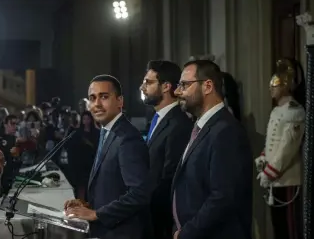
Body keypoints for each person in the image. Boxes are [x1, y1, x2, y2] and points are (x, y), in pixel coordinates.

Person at [172, 60, 253, 239]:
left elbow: (223, 198)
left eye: (184, 85)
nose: (178, 92)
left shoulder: (226, 130)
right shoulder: (203, 127)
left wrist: (187, 233)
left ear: (207, 86)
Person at [64, 75, 151, 239]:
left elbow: (139, 194)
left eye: (104, 97)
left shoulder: (127, 138)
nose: (97, 103)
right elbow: (114, 186)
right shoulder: (107, 131)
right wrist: (88, 206)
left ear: (120, 101)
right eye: (92, 98)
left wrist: (96, 214)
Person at [140, 60, 193, 239]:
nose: (142, 87)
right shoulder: (157, 118)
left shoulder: (178, 124)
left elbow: (169, 178)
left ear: (166, 86)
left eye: (148, 82)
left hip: (163, 219)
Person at [255, 58, 305, 239]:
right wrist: (263, 158)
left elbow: (287, 149)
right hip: (273, 179)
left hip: (287, 179)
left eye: (274, 85)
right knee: (278, 227)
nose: (271, 89)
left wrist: (270, 172)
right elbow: (271, 141)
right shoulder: (277, 111)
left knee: (289, 229)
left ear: (284, 86)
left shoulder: (295, 112)